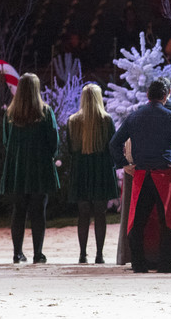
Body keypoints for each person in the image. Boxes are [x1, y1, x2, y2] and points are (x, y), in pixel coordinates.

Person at [109, 79, 171, 273]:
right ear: (166, 96)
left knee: (137, 222)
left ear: (148, 95)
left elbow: (114, 143)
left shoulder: (134, 116)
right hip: (163, 175)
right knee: (167, 222)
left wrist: (124, 164)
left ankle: (138, 264)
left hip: (141, 175)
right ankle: (165, 265)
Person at [0, 73, 60, 265]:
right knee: (38, 212)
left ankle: (17, 253)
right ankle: (38, 253)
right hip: (39, 168)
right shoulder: (45, 112)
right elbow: (53, 141)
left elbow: (6, 141)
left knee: (18, 211)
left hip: (18, 169)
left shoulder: (10, 114)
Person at [67, 84, 119, 264]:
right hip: (101, 170)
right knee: (100, 214)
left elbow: (70, 148)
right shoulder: (106, 120)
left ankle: (82, 254)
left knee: (83, 214)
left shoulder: (73, 121)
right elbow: (112, 147)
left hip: (81, 170)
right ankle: (99, 254)